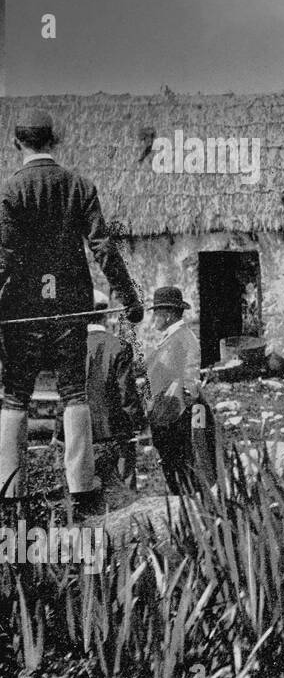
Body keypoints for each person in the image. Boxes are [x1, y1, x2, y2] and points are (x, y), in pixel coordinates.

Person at [0, 109, 145, 509]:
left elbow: (4, 259)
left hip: (21, 308)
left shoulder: (10, 192)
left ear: (17, 143)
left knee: (14, 396)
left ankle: (11, 493)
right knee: (73, 392)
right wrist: (129, 297)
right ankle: (81, 487)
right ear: (55, 140)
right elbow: (103, 247)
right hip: (70, 305)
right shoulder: (80, 186)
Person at [143, 286, 214, 495]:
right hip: (167, 413)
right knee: (172, 463)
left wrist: (185, 415)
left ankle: (189, 504)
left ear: (168, 314)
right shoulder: (170, 338)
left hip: (178, 415)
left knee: (183, 464)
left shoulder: (184, 338)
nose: (154, 317)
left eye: (156, 312)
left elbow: (191, 381)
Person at [86, 290, 143, 488]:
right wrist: (137, 424)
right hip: (117, 429)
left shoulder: (72, 348)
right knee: (125, 487)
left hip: (83, 429)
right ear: (105, 315)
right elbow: (126, 392)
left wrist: (59, 433)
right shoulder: (119, 346)